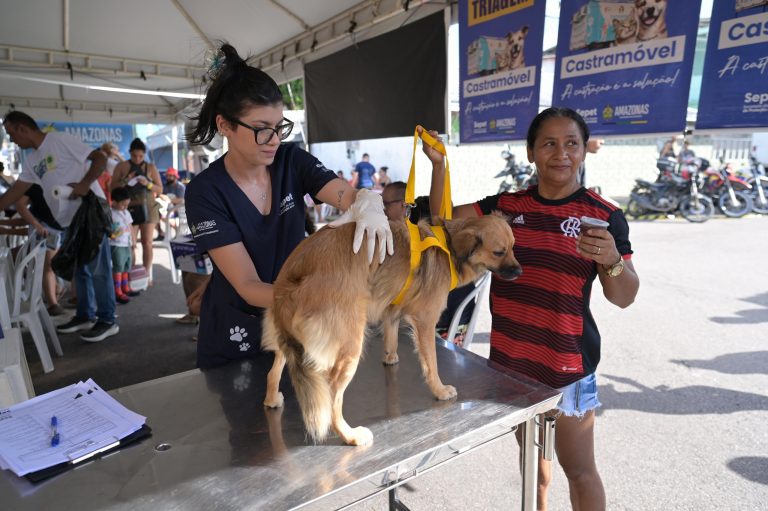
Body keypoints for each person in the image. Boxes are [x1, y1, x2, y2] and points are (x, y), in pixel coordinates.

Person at [424, 107, 639, 511]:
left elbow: (624, 296)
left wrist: (612, 259)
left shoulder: (604, 216)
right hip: (513, 362)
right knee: (534, 465)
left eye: (571, 143)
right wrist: (439, 165)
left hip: (568, 364)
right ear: (530, 153)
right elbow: (443, 221)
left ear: (584, 152)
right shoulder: (503, 208)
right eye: (549, 144)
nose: (561, 153)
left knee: (580, 470)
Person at [184, 43, 392, 369]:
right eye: (261, 130)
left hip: (301, 327)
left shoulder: (291, 161)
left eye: (279, 127)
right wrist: (321, 297)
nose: (275, 140)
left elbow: (344, 195)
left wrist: (367, 202)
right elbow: (248, 286)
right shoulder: (205, 192)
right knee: (243, 415)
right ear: (225, 126)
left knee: (303, 409)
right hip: (239, 331)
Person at [0, 110, 119, 342]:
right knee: (80, 270)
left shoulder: (59, 140)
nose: (12, 139)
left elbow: (100, 159)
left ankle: (107, 319)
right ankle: (86, 315)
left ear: (22, 128)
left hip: (89, 212)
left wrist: (85, 183)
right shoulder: (32, 161)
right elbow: (16, 192)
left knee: (98, 268)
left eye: (11, 133)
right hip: (68, 221)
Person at [111, 138, 163, 278]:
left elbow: (160, 189)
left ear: (144, 154)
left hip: (148, 208)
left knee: (147, 242)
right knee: (130, 243)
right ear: (130, 153)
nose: (137, 159)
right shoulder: (122, 166)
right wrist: (126, 180)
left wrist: (148, 184)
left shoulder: (150, 167)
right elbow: (112, 188)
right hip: (128, 209)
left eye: (140, 156)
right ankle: (130, 274)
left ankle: (146, 274)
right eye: (134, 155)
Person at [108, 187, 137, 304]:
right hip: (116, 244)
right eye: (122, 205)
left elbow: (130, 227)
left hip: (126, 244)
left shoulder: (126, 212)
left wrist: (134, 241)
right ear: (113, 202)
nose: (125, 207)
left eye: (127, 205)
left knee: (126, 266)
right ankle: (117, 291)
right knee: (118, 267)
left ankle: (125, 288)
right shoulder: (110, 213)